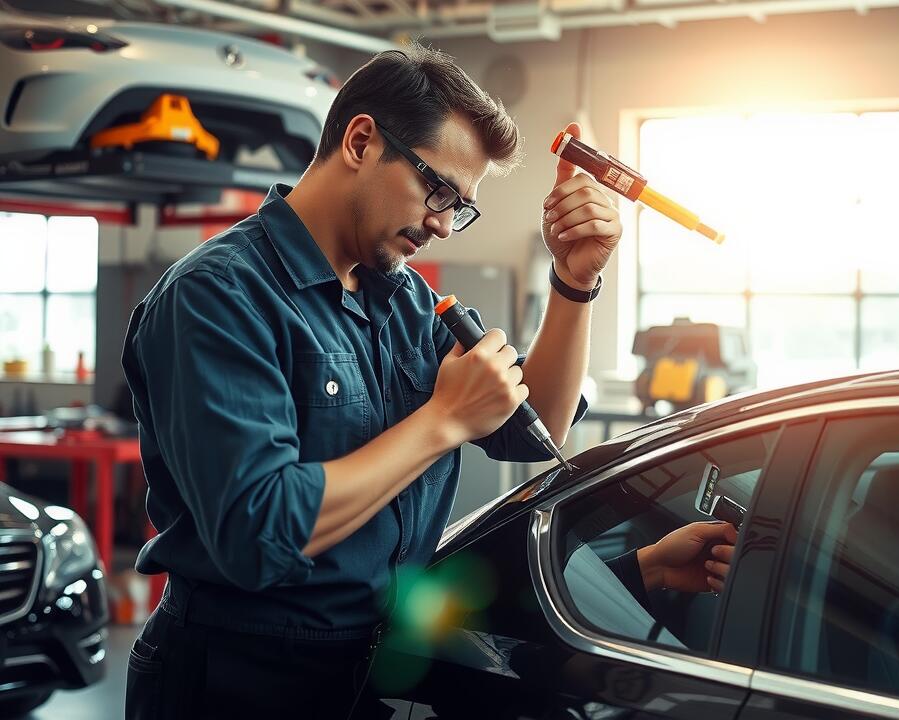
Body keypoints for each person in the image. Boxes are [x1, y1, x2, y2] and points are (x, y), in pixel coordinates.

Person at [122, 45, 625, 718]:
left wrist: (575, 280)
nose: (444, 223)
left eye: (461, 207)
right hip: (235, 680)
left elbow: (538, 430)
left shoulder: (405, 300)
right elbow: (258, 532)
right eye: (438, 190)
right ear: (361, 141)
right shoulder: (218, 296)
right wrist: (442, 421)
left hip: (367, 670)